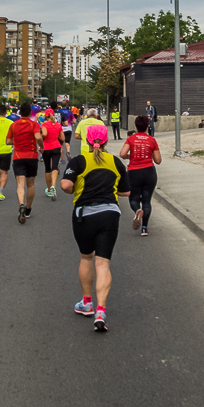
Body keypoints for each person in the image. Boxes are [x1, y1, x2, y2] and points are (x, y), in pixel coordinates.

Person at [60, 124, 130, 331]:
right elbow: (126, 192)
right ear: (106, 141)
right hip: (110, 214)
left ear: (87, 142)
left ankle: (87, 302)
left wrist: (73, 189)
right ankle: (101, 311)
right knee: (103, 264)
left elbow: (65, 185)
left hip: (85, 214)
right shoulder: (115, 162)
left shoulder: (79, 161)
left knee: (86, 258)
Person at [120, 115, 161, 237]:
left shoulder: (131, 139)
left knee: (133, 198)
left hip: (134, 172)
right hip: (149, 171)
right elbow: (158, 160)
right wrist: (149, 155)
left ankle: (137, 211)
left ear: (136, 126)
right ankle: (144, 228)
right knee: (147, 200)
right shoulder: (151, 140)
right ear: (148, 126)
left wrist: (130, 156)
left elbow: (122, 154)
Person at [7, 102, 42, 224]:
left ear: (20, 112)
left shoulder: (14, 125)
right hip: (32, 156)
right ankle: (27, 209)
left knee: (20, 184)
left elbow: (8, 141)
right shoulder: (34, 124)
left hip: (18, 157)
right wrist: (41, 146)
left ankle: (21, 204)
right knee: (31, 184)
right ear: (31, 113)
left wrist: (16, 142)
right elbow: (38, 137)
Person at [40, 110, 66, 201]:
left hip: (46, 148)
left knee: (47, 168)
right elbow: (62, 138)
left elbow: (44, 134)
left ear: (45, 116)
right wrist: (56, 135)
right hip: (56, 147)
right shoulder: (58, 125)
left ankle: (49, 189)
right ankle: (54, 185)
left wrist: (41, 138)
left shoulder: (44, 125)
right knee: (54, 167)